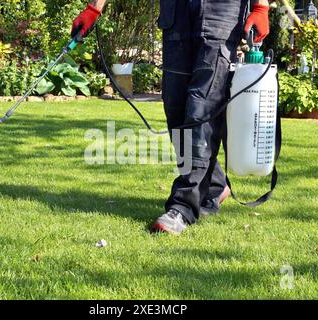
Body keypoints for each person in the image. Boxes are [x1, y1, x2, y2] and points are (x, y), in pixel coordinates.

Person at [72, 0, 271, 235]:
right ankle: (215, 185)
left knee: (201, 108)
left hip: (221, 13)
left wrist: (261, 7)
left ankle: (183, 206)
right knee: (175, 108)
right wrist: (94, 8)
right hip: (177, 13)